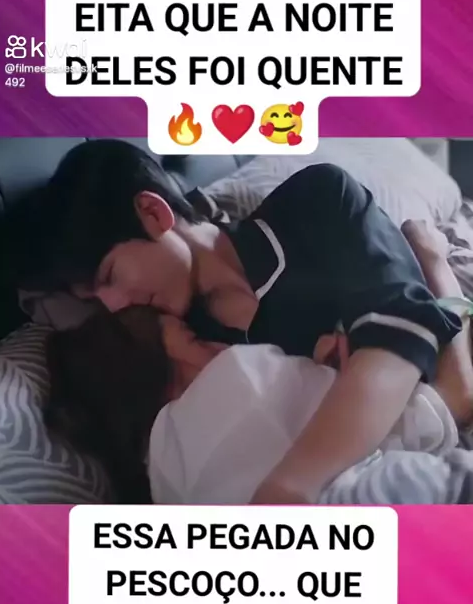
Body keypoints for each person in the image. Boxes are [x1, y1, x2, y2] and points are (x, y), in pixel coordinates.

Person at [29, 140, 467, 503]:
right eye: (96, 300)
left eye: (110, 276)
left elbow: (402, 332)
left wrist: (289, 486)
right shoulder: (183, 352)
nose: (116, 306)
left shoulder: (313, 204)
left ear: (153, 213)